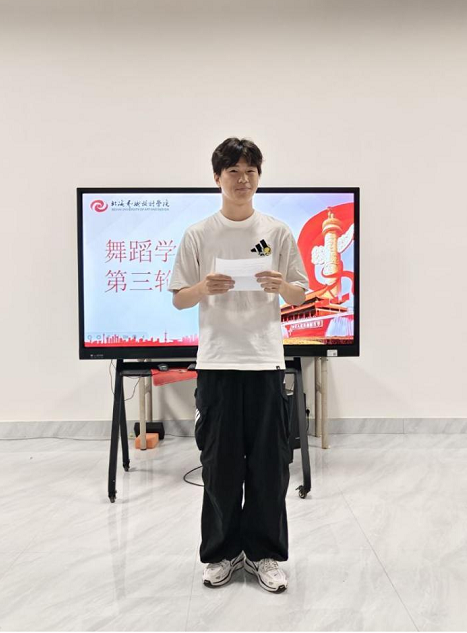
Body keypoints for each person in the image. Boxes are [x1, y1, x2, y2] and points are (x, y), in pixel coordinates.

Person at [169, 137, 309, 593]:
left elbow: (300, 294)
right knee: (220, 465)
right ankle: (222, 554)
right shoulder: (199, 234)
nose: (243, 179)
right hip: (217, 363)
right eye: (233, 171)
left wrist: (280, 284)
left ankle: (265, 554)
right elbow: (179, 299)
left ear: (259, 177)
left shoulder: (277, 231)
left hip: (265, 360)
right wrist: (203, 288)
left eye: (251, 171)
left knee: (269, 466)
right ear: (217, 178)